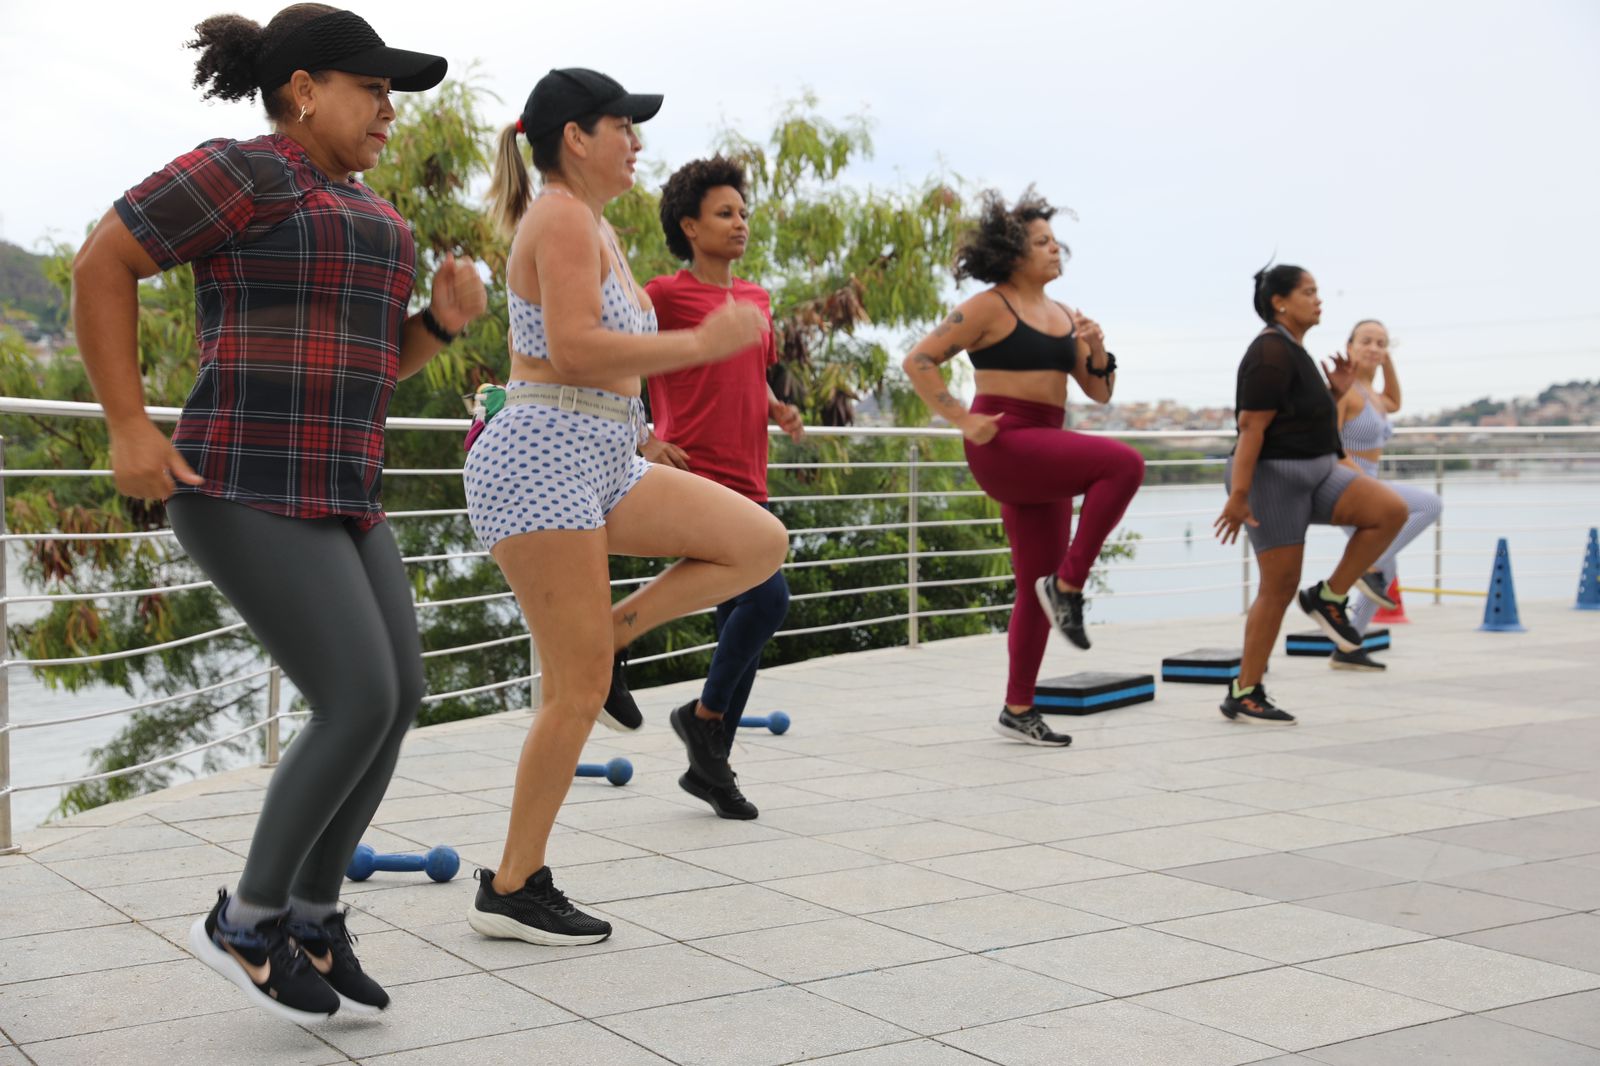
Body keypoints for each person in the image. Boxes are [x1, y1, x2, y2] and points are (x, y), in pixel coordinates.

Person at [72, 6, 482, 1022]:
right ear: (305, 87)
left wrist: (438, 324)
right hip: (243, 481)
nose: (391, 110)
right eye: (374, 89)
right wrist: (128, 423)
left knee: (397, 697)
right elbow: (100, 263)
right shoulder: (243, 172)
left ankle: (312, 910)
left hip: (343, 485)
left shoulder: (364, 205)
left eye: (394, 95)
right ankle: (247, 918)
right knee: (353, 696)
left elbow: (374, 362)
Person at [464, 69, 789, 946]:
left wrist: (637, 424)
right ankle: (512, 884)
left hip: (603, 451)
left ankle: (610, 632)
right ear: (577, 136)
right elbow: (569, 348)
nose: (637, 142)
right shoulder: (561, 214)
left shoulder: (590, 222)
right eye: (624, 125)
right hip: (542, 458)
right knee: (576, 692)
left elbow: (590, 359)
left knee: (758, 543)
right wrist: (700, 343)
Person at [901, 189, 1145, 747]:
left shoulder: (1064, 314)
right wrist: (962, 418)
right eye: (1042, 242)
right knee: (1125, 465)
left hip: (1045, 445)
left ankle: (1019, 707)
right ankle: (1069, 585)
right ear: (1014, 252)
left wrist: (1098, 348)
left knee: (1033, 582)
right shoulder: (990, 306)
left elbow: (1099, 392)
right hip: (1003, 439)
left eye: (1057, 241)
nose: (1055, 250)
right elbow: (918, 359)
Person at [639, 156, 804, 819]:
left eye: (743, 212)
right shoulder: (662, 296)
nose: (740, 223)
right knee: (768, 600)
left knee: (743, 622)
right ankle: (704, 720)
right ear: (689, 225)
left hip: (750, 475)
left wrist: (778, 408)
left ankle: (713, 765)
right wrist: (642, 436)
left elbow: (751, 377)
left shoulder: (757, 299)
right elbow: (613, 366)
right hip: (695, 480)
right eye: (724, 213)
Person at [1214, 265, 1407, 723]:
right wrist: (1239, 495)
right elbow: (1251, 428)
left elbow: (1299, 416)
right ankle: (1245, 689)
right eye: (1308, 292)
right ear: (1280, 301)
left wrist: (1334, 390)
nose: (1318, 300)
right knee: (1277, 589)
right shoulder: (1268, 352)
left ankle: (1329, 596)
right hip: (1273, 480)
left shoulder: (1295, 350)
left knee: (1389, 510)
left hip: (1318, 470)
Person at [1332, 319, 1443, 670]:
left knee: (1387, 568)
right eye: (1366, 341)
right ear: (1349, 346)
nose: (1374, 348)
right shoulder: (1345, 391)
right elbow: (1331, 444)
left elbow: (1395, 400)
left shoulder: (1373, 395)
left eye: (1381, 343)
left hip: (1371, 483)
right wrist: (1362, 485)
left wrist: (1386, 361)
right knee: (1429, 504)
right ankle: (1369, 565)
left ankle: (1348, 648)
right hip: (1351, 486)